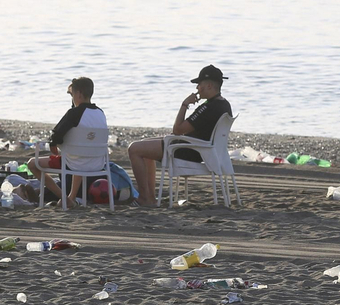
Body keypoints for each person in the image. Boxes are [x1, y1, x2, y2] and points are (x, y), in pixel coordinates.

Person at [127, 64, 232, 204]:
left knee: (134, 149)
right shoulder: (224, 104)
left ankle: (145, 198)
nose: (196, 89)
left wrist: (185, 104)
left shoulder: (208, 107)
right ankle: (149, 198)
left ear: (208, 86)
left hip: (191, 150)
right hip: (204, 149)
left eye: (199, 84)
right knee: (144, 145)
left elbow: (177, 129)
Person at [44, 77, 112, 207]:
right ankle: (71, 197)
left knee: (33, 164)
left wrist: (53, 144)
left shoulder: (74, 113)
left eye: (73, 94)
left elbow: (56, 135)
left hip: (73, 163)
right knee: (79, 155)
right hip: (97, 164)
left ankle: (65, 198)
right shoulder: (100, 113)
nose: (72, 98)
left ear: (79, 93)